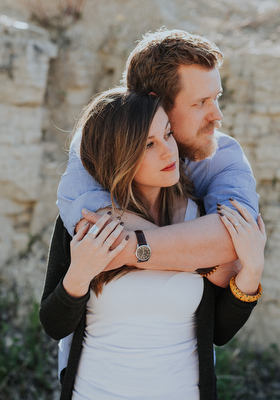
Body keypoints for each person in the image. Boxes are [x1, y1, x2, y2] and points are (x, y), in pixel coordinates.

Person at [40, 88, 266, 400]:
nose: (168, 151)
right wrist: (78, 276)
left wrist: (251, 273)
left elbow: (220, 333)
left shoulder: (200, 222)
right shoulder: (88, 222)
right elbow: (53, 324)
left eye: (168, 134)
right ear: (118, 154)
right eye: (149, 144)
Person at [57, 29, 259, 275]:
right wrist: (205, 251)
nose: (218, 116)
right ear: (158, 101)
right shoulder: (98, 142)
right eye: (200, 103)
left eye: (217, 98)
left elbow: (237, 237)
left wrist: (132, 247)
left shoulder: (223, 153)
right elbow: (92, 222)